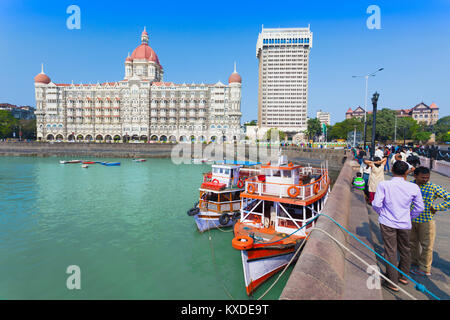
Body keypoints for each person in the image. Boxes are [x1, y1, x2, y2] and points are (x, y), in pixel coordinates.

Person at [371, 161, 424, 291]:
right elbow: (420, 208)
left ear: (393, 170)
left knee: (390, 251)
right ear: (406, 172)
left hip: (388, 222)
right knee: (405, 250)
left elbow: (376, 204)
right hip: (404, 223)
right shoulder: (413, 187)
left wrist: (383, 213)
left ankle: (392, 282)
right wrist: (409, 216)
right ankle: (403, 276)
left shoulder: (384, 184)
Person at [410, 166, 450, 276]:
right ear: (415, 176)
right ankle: (413, 261)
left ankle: (424, 268)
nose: (425, 180)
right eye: (423, 177)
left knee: (427, 246)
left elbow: (449, 198)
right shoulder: (410, 186)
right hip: (410, 220)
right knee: (411, 243)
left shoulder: (433, 187)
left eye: (427, 177)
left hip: (426, 221)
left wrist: (437, 207)